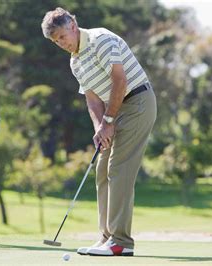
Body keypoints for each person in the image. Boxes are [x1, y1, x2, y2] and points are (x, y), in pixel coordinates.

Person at [41, 7, 157, 256]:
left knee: (118, 167)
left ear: (72, 24)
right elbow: (92, 98)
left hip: (137, 102)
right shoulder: (75, 61)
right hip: (114, 110)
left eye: (62, 36)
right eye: (55, 41)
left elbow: (120, 80)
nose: (60, 43)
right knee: (102, 168)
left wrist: (109, 120)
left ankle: (121, 242)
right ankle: (106, 237)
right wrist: (99, 127)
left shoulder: (99, 40)